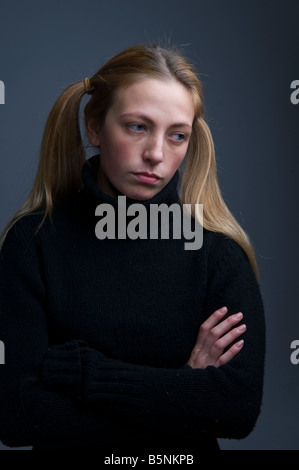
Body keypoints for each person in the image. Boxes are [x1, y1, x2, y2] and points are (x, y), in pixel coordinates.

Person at [0, 44, 265, 453]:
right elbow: (16, 417)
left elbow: (236, 409)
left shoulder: (218, 253)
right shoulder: (32, 243)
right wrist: (183, 388)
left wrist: (89, 376)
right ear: (94, 127)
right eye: (138, 127)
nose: (156, 154)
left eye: (177, 135)